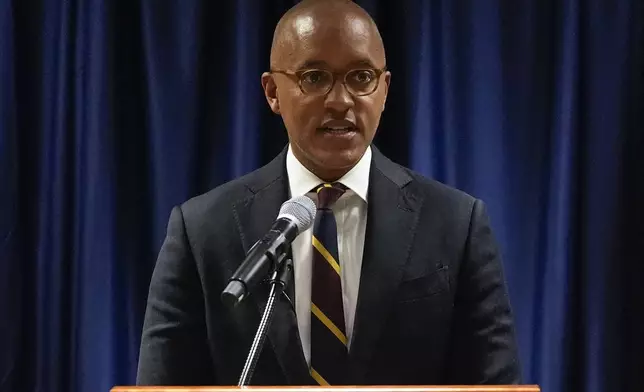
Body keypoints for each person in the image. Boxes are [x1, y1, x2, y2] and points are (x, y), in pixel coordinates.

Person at [136, 0, 521, 386]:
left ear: (384, 90)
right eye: (315, 78)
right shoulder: (201, 231)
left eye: (361, 77)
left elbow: (494, 384)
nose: (341, 101)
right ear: (272, 92)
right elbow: (162, 385)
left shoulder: (457, 224)